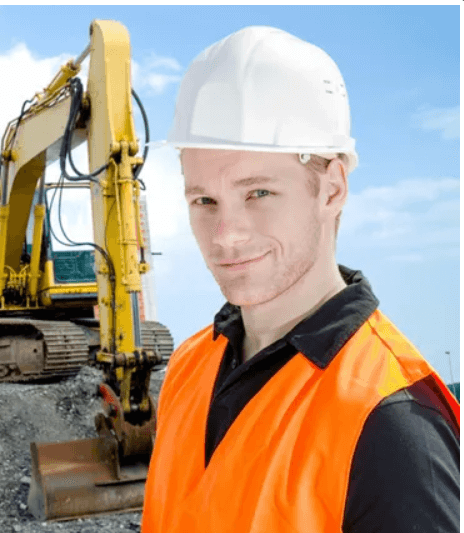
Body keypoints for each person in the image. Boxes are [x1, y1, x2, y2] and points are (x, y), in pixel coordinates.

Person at [141, 26, 459, 533]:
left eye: (259, 193)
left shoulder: (392, 421)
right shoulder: (189, 366)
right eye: (204, 200)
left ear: (331, 189)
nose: (225, 235)